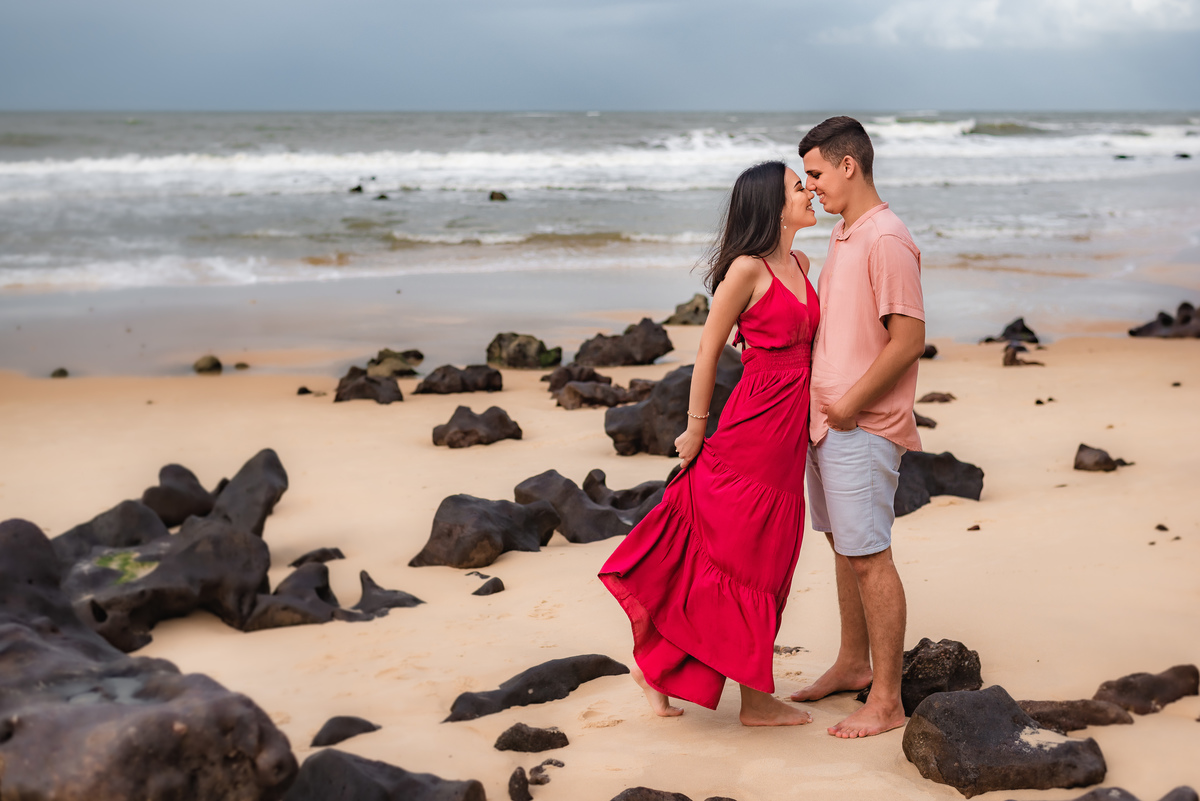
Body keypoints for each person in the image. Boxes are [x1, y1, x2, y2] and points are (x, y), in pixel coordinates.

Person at [598, 160, 819, 726]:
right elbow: (707, 350)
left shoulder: (802, 262)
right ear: (772, 204)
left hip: (789, 434)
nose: (811, 191)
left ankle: (668, 673)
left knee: (768, 558)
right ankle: (743, 696)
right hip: (752, 426)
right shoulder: (746, 270)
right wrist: (696, 429)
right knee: (737, 556)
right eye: (800, 186)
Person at [787, 116, 926, 738]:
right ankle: (850, 663)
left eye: (815, 173)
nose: (810, 186)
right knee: (846, 549)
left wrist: (847, 407)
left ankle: (888, 701)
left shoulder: (886, 238)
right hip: (827, 424)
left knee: (870, 556)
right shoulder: (845, 237)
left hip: (861, 424)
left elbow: (909, 340)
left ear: (849, 165)